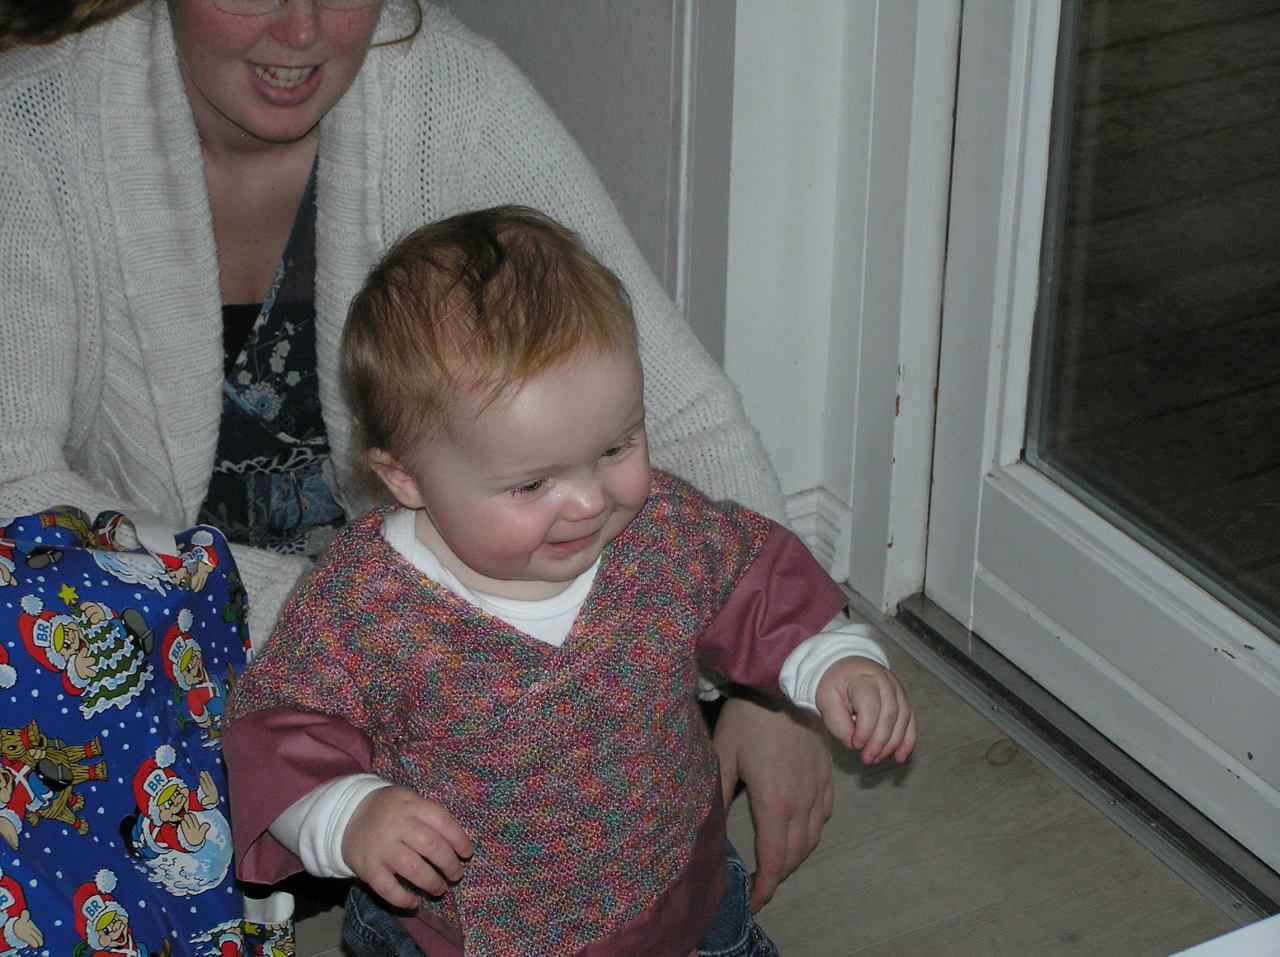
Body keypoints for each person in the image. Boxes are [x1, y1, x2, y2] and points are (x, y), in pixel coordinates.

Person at [0, 0, 840, 912]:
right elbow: (16, 487)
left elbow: (668, 401)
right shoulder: (30, 129)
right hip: (228, 646)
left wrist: (777, 679)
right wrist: (395, 634)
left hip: (486, 637)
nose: (302, 29)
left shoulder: (449, 89)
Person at [223, 206, 918, 956]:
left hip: (677, 886)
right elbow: (281, 726)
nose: (590, 501)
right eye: (531, 485)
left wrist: (828, 657)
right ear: (406, 478)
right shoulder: (361, 603)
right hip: (461, 933)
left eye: (617, 446)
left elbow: (753, 582)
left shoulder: (660, 530)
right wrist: (348, 814)